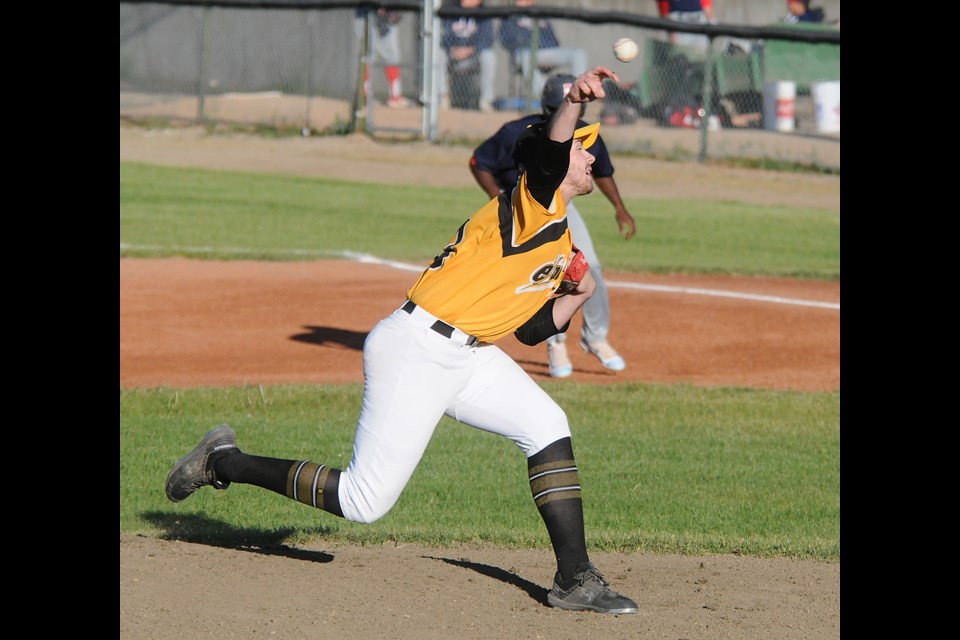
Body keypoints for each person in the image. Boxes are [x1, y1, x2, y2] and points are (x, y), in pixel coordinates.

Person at [165, 66, 639, 616]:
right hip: (416, 349)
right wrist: (575, 100)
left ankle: (574, 579)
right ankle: (224, 461)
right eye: (584, 149)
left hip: (469, 355)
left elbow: (530, 329)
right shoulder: (535, 202)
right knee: (362, 502)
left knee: (547, 425)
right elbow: (554, 154)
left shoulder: (555, 236)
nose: (590, 157)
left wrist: (577, 294)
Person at [469, 73, 636, 378]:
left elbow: (602, 172)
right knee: (545, 277)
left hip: (564, 209)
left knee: (590, 271)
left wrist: (620, 208)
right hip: (526, 214)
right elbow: (478, 162)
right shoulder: (518, 132)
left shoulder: (587, 135)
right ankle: (555, 344)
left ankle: (595, 338)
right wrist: (501, 201)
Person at [499, 0, 588, 100]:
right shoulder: (510, 15)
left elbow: (554, 40)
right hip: (523, 53)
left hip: (545, 52)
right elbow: (506, 40)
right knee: (526, 56)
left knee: (578, 54)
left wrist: (547, 54)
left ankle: (577, 93)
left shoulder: (541, 14)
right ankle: (545, 95)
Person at [439, 0, 496, 112]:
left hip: (473, 57)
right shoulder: (452, 9)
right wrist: (453, 48)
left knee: (489, 56)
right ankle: (442, 98)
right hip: (453, 55)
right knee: (438, 53)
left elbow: (487, 39)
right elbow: (444, 36)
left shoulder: (484, 13)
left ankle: (486, 101)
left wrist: (469, 50)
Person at [355, 6, 411, 108]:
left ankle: (395, 97)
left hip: (385, 19)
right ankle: (365, 97)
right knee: (367, 57)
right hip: (367, 16)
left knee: (392, 58)